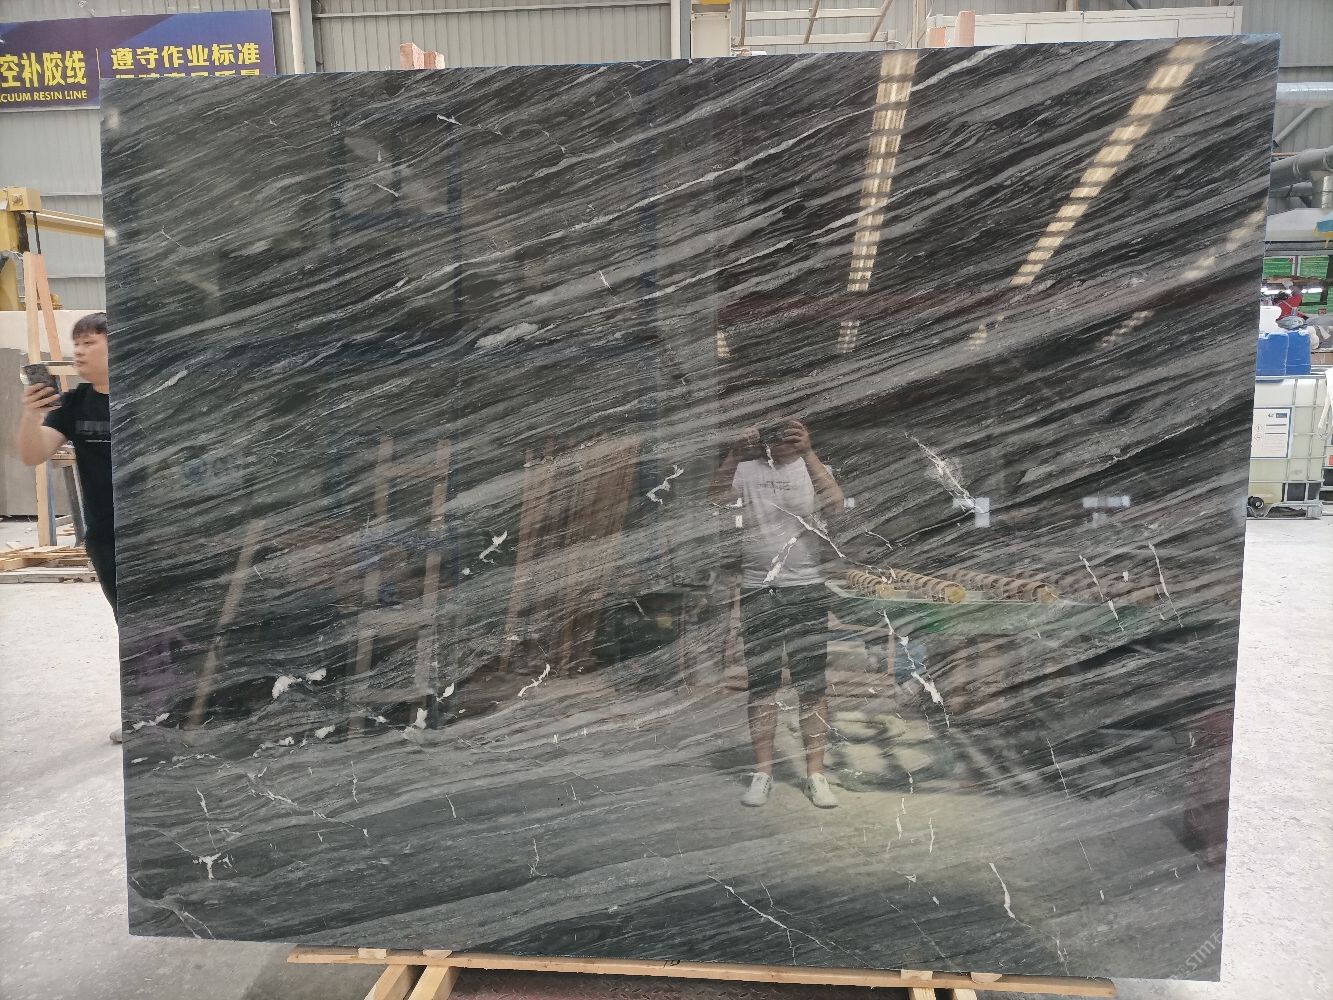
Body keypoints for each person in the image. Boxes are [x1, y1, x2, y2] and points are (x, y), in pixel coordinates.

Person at [709, 418, 845, 809]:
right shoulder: (748, 470)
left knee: (812, 685)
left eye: (791, 436)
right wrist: (734, 453)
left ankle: (815, 775)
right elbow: (714, 500)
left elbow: (836, 506)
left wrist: (809, 452)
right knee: (763, 684)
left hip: (806, 587)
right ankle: (763, 773)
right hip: (758, 588)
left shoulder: (813, 467)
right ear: (764, 439)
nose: (782, 442)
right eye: (777, 436)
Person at [16, 312, 119, 742]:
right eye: (76, 343)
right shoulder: (74, 404)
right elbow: (32, 455)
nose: (78, 351)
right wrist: (31, 415)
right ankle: (145, 712)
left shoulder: (147, 393)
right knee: (130, 626)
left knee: (171, 624)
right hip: (106, 536)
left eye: (90, 342)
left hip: (158, 532)